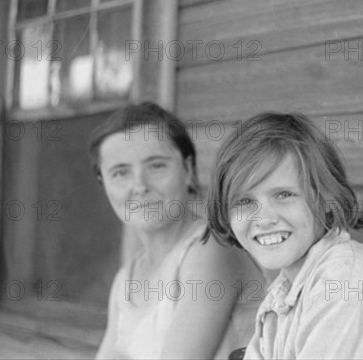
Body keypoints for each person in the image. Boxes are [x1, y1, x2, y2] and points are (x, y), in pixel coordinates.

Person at [205, 112, 363, 359]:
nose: (263, 218)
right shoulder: (284, 290)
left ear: (326, 198)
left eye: (284, 194)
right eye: (244, 200)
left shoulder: (343, 285)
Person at [91, 102, 265, 359]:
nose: (139, 185)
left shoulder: (210, 248)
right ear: (103, 183)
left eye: (156, 166)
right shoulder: (126, 278)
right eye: (120, 173)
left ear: (187, 169)